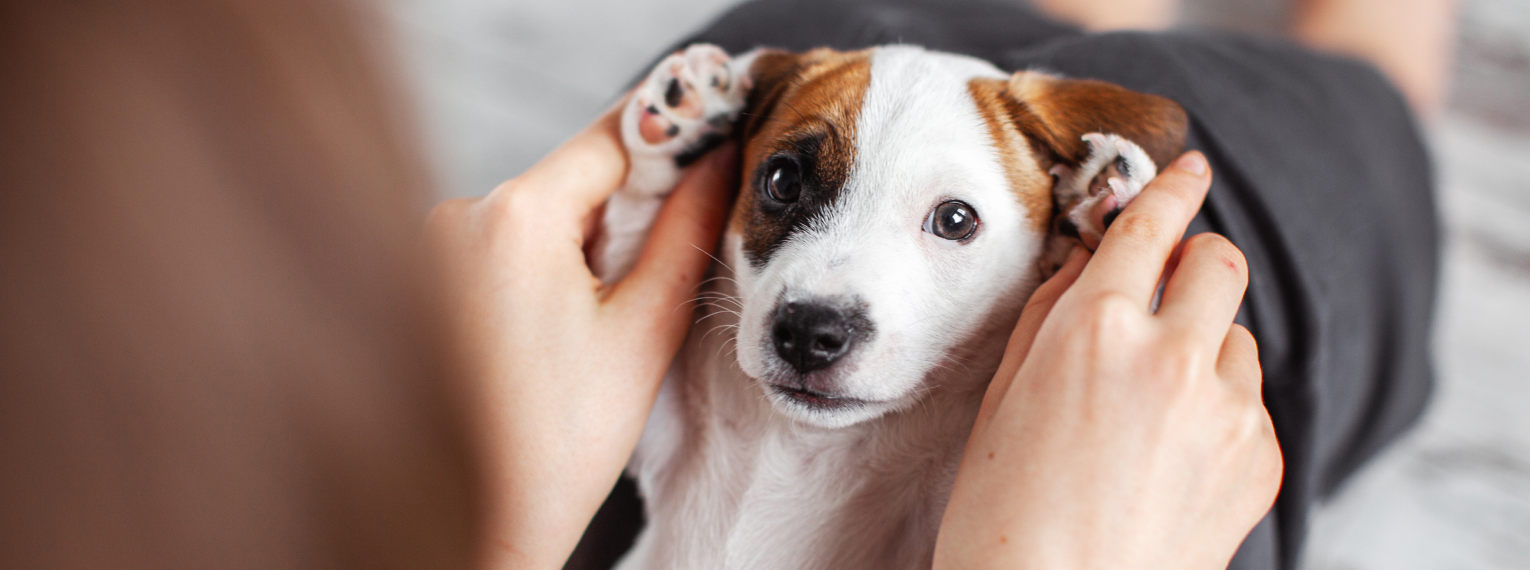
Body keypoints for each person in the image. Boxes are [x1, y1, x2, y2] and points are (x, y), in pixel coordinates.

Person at [0, 1, 1444, 570]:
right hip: (1212, 265)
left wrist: (488, 509)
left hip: (839, 69)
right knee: (1361, 125)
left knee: (1068, 57)